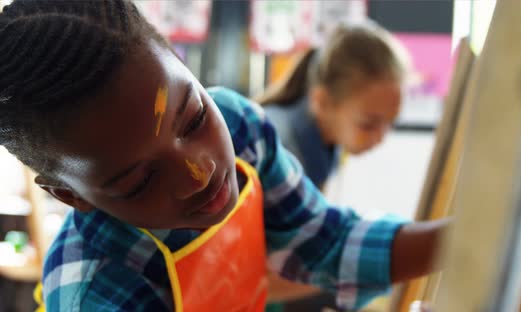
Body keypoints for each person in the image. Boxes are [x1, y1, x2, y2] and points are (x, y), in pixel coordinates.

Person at [0, 1, 447, 311]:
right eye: (140, 181)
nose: (199, 173)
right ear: (72, 195)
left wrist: (466, 242)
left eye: (193, 119)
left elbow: (325, 243)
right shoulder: (100, 292)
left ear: (179, 61)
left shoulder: (238, 126)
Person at [259, 20, 409, 189]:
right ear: (322, 102)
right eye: (368, 125)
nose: (381, 137)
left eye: (391, 122)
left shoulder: (328, 147)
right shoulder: (276, 148)